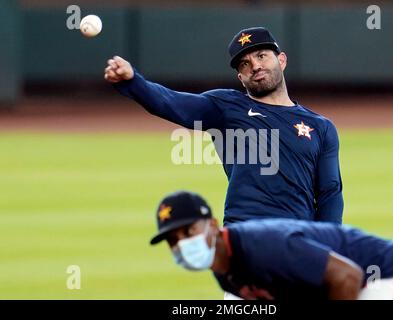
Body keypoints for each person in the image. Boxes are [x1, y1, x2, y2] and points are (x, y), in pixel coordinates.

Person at [104, 27, 344, 226]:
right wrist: (133, 81)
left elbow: (329, 194)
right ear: (241, 77)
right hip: (243, 232)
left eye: (261, 56)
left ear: (281, 60)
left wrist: (329, 244)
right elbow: (170, 102)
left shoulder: (321, 127)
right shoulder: (226, 107)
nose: (255, 66)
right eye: (245, 64)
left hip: (297, 237)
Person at [150, 190, 393, 300]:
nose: (182, 243)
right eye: (173, 240)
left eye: (189, 231)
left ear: (212, 225)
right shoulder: (224, 270)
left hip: (384, 275)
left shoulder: (261, 246)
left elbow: (347, 276)